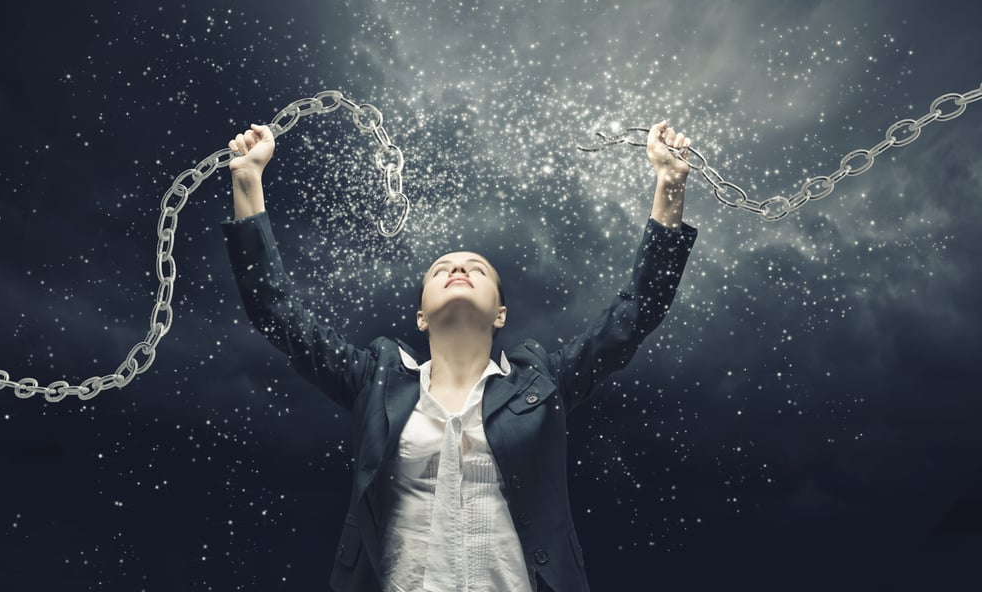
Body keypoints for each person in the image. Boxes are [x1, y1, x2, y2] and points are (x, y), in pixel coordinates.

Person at [221, 119, 697, 592]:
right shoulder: (376, 380)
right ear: (422, 316)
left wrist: (669, 186)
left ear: (501, 314)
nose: (458, 269)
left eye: (477, 269)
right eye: (441, 269)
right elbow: (276, 312)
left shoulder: (543, 382)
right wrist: (247, 181)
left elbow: (633, 315)